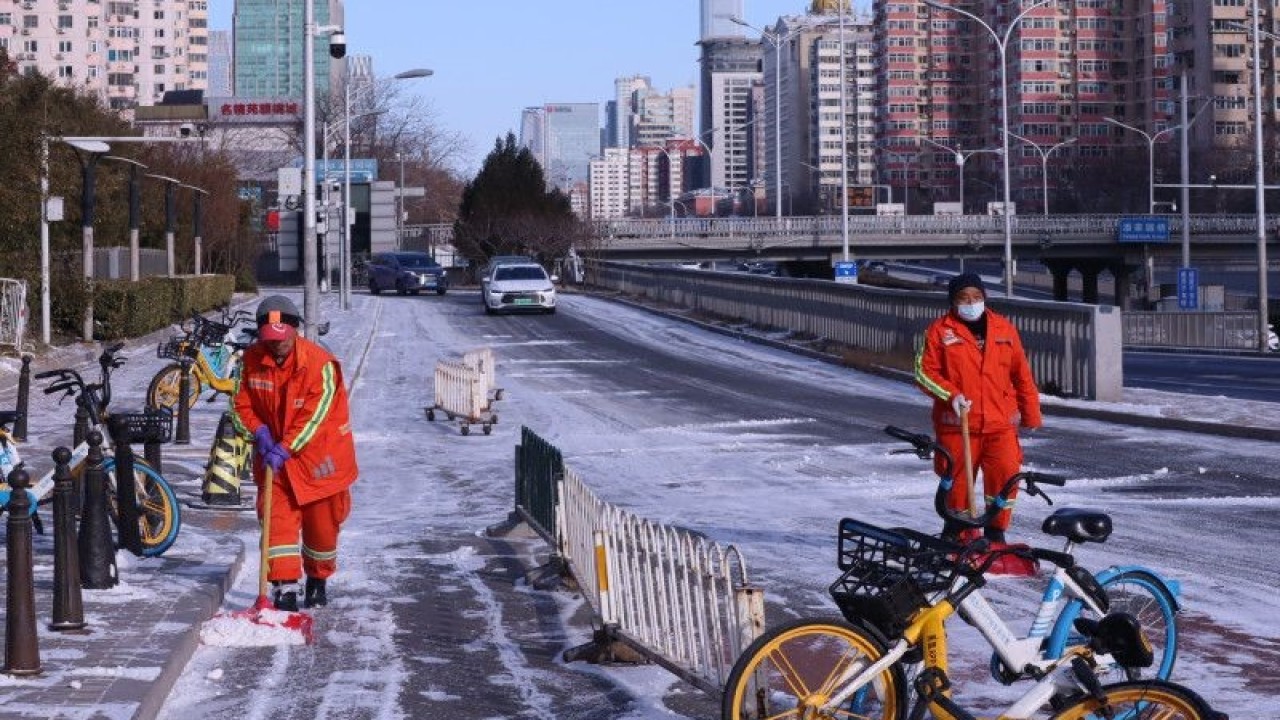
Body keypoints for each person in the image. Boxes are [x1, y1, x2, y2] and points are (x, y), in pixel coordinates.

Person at [231, 295, 359, 610]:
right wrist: (257, 431)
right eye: (270, 339)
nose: (277, 345)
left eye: (283, 338)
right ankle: (284, 589)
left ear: (295, 330)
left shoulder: (320, 365)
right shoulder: (250, 361)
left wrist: (286, 447)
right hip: (275, 462)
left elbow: (314, 417)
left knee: (322, 532)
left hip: (320, 463)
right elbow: (239, 404)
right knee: (278, 526)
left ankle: (317, 579)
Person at [914, 272, 1042, 543]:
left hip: (1000, 424)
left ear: (985, 298)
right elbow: (924, 373)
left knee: (1006, 477)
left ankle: (995, 533)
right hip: (957, 424)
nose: (971, 303)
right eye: (964, 298)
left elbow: (1021, 374)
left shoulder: (1004, 329)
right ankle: (957, 531)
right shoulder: (938, 331)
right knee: (958, 483)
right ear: (953, 302)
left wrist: (1031, 413)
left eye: (976, 297)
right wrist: (951, 395)